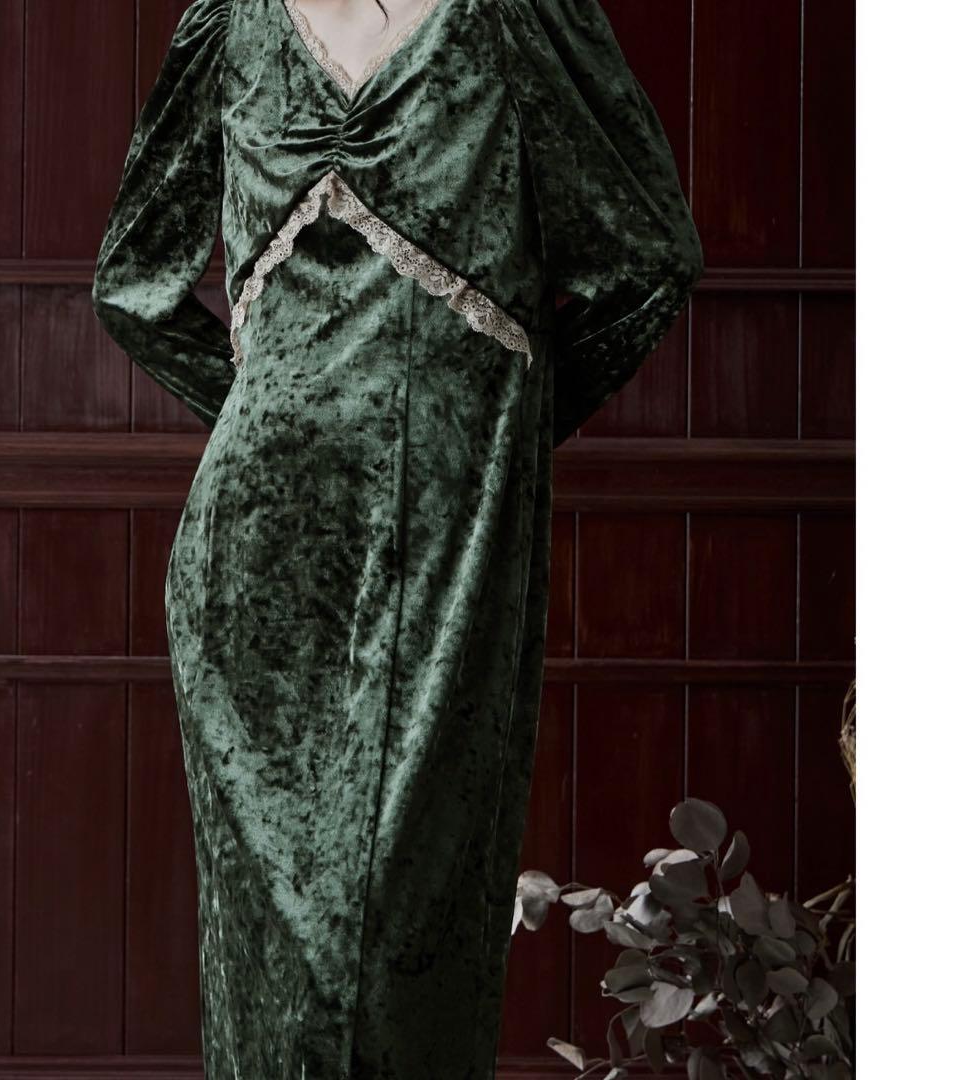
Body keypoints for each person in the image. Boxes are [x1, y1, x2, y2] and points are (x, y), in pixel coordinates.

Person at [91, 0, 703, 1076]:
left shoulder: (516, 19)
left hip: (448, 547)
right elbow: (131, 287)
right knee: (278, 982)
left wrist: (499, 434)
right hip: (253, 565)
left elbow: (650, 260)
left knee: (397, 959)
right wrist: (275, 410)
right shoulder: (232, 26)